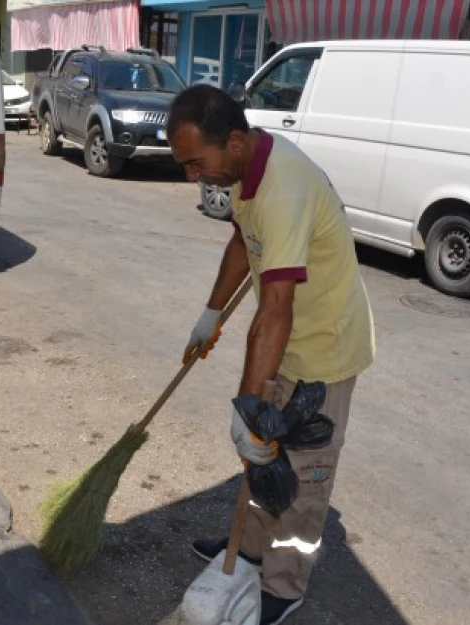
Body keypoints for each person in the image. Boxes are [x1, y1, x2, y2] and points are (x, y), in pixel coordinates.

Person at [167, 84, 375, 625]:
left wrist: (248, 403)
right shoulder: (242, 173)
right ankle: (253, 550)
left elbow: (275, 308)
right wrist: (211, 312)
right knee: (263, 459)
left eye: (196, 163)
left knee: (305, 479)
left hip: (323, 351)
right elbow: (243, 242)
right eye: (185, 166)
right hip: (286, 341)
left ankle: (285, 583)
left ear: (234, 141)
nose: (193, 176)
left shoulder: (285, 188)